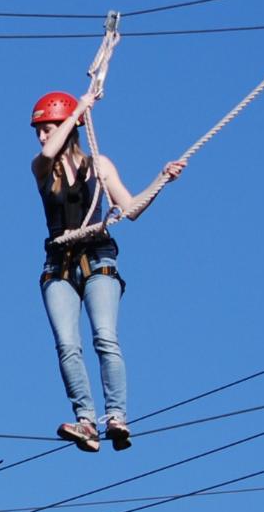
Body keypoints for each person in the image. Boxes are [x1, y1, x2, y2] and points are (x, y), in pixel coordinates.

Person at [30, 90, 185, 452]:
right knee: (67, 345)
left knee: (105, 338)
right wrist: (78, 112)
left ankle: (116, 416)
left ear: (68, 127)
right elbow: (49, 153)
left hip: (98, 258)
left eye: (46, 129)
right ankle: (86, 420)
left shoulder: (99, 165)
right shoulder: (42, 168)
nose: (41, 137)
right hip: (59, 265)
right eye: (38, 130)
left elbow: (130, 208)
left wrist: (161, 181)